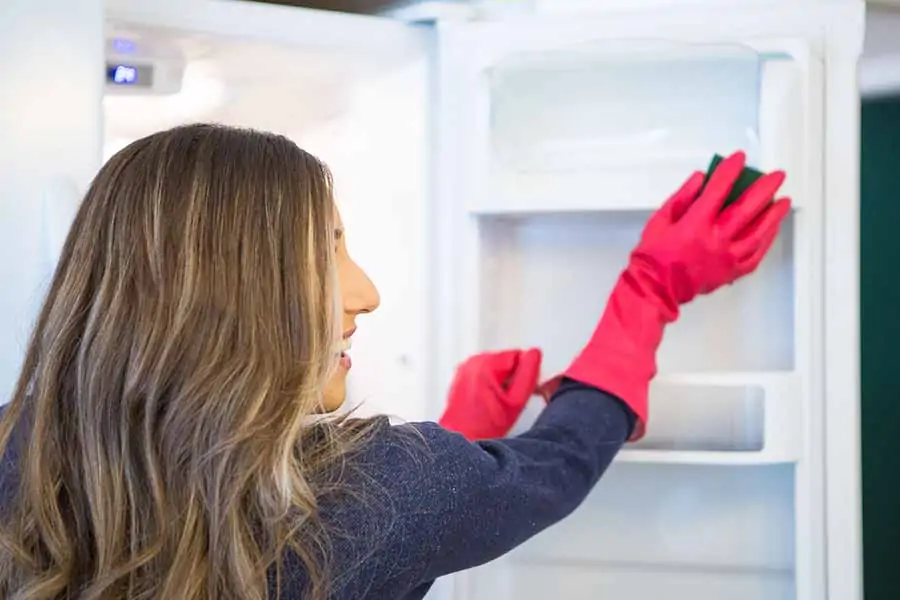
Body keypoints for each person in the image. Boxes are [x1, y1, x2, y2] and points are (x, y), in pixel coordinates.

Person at [0, 124, 790, 600]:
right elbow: (554, 466)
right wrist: (650, 290)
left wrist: (456, 436)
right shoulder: (373, 490)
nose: (366, 292)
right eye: (325, 249)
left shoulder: (14, 449)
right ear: (233, 296)